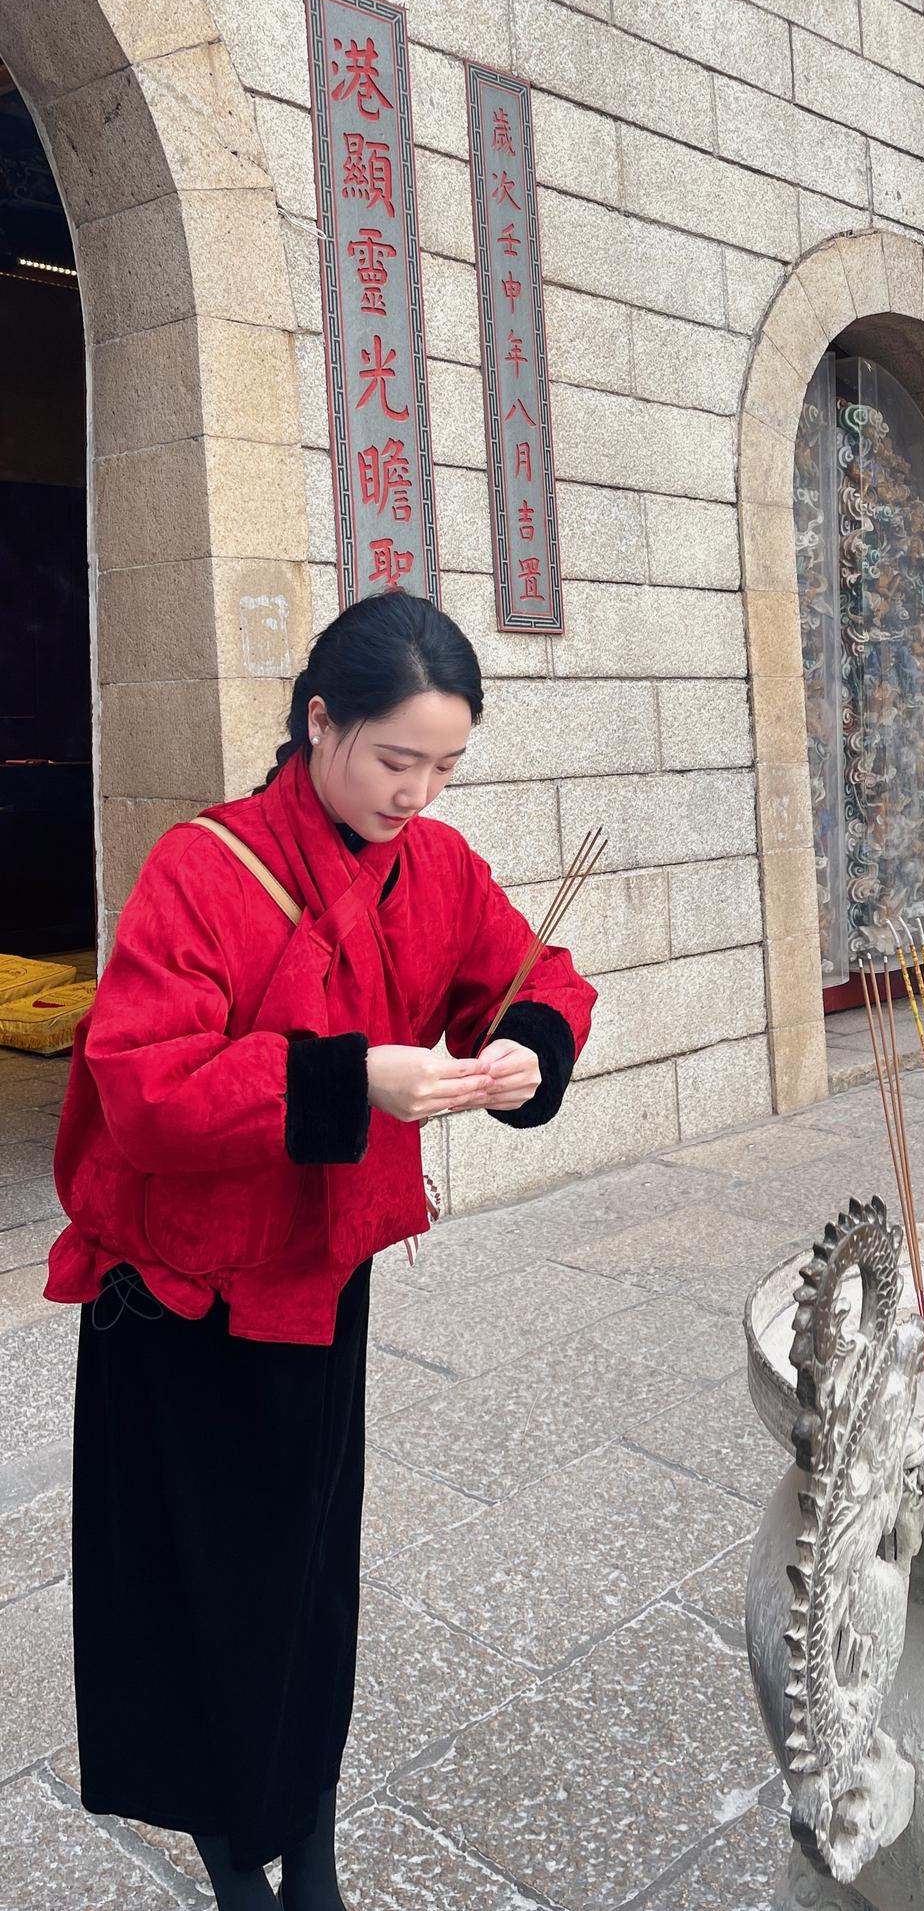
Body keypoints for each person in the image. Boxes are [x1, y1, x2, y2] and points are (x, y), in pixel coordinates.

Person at [44, 592, 596, 1911]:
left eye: (446, 765)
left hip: (317, 1284)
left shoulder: (439, 869)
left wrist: (532, 1050)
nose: (419, 791)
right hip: (180, 1305)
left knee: (304, 1581)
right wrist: (353, 1084)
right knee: (202, 1602)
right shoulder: (202, 867)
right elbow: (144, 1088)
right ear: (318, 724)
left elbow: (537, 970)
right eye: (397, 758)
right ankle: (243, 1857)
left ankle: (312, 1838)